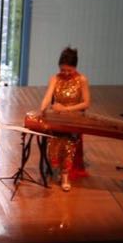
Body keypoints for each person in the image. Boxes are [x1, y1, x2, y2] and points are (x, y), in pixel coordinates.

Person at [37, 46, 90, 190]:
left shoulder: (82, 79)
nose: (65, 73)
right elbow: (48, 97)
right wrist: (42, 108)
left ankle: (65, 175)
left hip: (74, 118)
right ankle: (55, 170)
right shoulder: (55, 78)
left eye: (69, 70)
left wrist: (66, 109)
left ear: (75, 67)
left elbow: (86, 103)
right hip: (58, 118)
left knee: (68, 141)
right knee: (53, 139)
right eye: (62, 70)